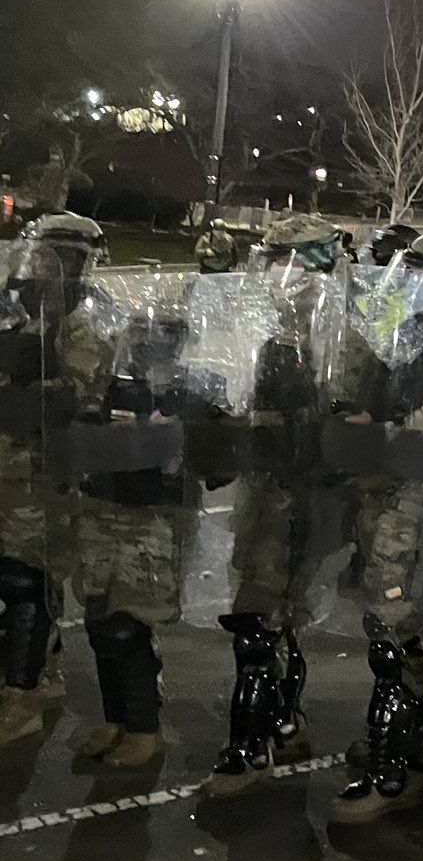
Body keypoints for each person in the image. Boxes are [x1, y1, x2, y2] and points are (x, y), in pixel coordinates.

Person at [323, 228, 423, 823]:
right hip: (391, 501)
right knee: (398, 627)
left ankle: (398, 773)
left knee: (394, 634)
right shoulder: (416, 334)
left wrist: (376, 426)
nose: (417, 287)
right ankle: (414, 733)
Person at [196, 215, 349, 795]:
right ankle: (284, 719)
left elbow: (340, 412)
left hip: (305, 491)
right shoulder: (265, 321)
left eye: (291, 262)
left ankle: (249, 742)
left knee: (259, 617)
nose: (279, 273)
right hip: (267, 487)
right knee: (269, 614)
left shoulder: (339, 330)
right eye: (274, 261)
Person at [58, 267, 198, 769]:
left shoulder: (189, 390)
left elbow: (197, 461)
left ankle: (145, 728)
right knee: (99, 619)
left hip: (149, 519)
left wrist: (160, 425)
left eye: (160, 336)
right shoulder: (111, 383)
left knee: (129, 626)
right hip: (101, 508)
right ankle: (115, 718)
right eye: (139, 335)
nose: (146, 346)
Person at [0, 214, 109, 750]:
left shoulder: (86, 318)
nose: (50, 262)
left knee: (29, 582)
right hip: (5, 469)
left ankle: (22, 698)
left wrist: (34, 384)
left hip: (46, 476)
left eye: (63, 255)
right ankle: (36, 673)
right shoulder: (15, 310)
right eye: (44, 251)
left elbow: (85, 394)